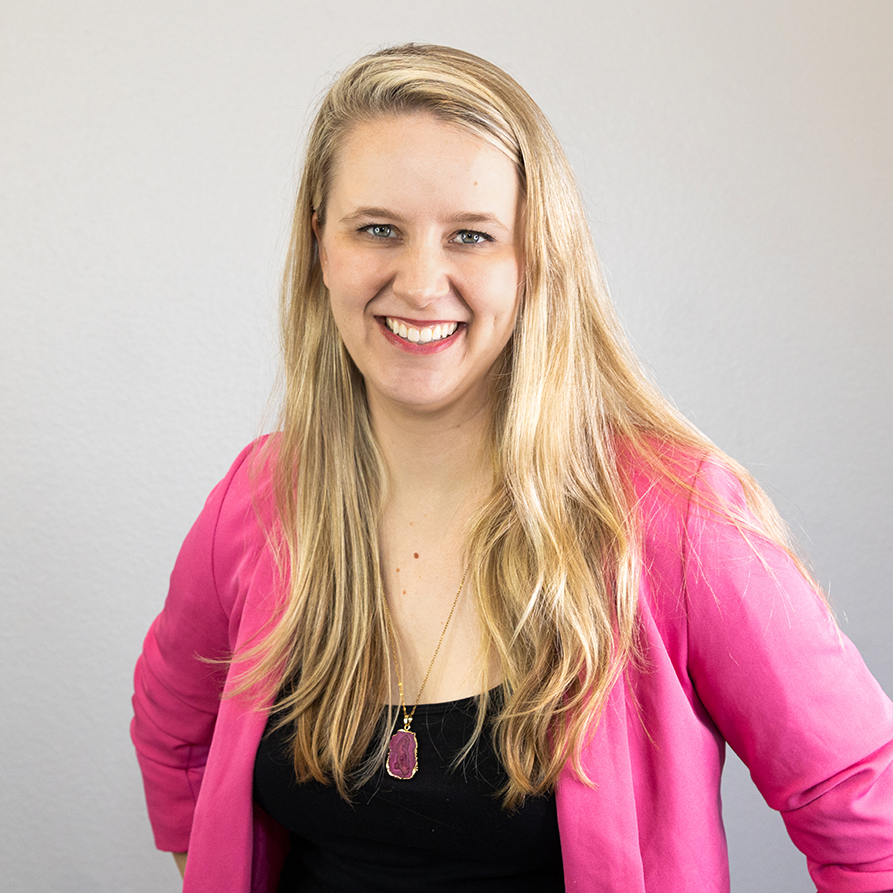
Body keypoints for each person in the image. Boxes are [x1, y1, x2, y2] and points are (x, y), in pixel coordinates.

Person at [131, 44, 893, 892]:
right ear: (320, 245)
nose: (421, 282)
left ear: (536, 259)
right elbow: (174, 726)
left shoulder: (671, 515)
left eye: (472, 236)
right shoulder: (261, 497)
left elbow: (866, 809)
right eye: (377, 228)